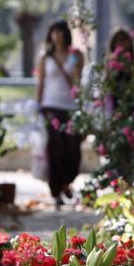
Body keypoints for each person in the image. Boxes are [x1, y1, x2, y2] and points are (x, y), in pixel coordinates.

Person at [34, 20, 84, 207]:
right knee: (54, 148)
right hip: (50, 106)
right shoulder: (45, 57)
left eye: (60, 32)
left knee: (72, 149)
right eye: (54, 32)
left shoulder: (74, 55)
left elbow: (78, 82)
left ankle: (67, 181)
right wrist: (36, 106)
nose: (57, 36)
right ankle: (56, 190)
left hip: (71, 107)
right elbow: (41, 82)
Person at [103, 28, 134, 183]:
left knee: (132, 152)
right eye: (118, 42)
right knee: (116, 152)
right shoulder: (109, 63)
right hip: (115, 113)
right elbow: (104, 87)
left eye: (124, 41)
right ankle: (117, 183)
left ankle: (129, 183)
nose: (121, 45)